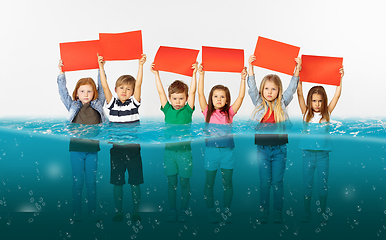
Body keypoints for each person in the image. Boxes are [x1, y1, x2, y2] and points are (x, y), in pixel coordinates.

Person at [247, 55, 301, 223]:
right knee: (265, 182)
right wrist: (250, 67)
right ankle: (264, 212)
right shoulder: (258, 103)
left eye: (273, 89)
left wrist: (297, 69)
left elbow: (292, 88)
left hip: (279, 149)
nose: (269, 92)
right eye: (267, 89)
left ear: (278, 91)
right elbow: (251, 88)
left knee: (277, 182)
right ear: (262, 90)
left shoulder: (282, 103)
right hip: (262, 149)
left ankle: (277, 212)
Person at [98, 53, 147, 222]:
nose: (124, 91)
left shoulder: (134, 103)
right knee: (117, 183)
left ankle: (136, 211)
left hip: (133, 149)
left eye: (128, 89)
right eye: (121, 88)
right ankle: (118, 211)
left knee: (135, 182)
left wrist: (140, 65)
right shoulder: (112, 104)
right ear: (116, 89)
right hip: (117, 150)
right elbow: (104, 88)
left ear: (132, 92)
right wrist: (101, 67)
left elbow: (139, 82)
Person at [57, 58, 106, 222]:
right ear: (77, 93)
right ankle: (76, 212)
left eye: (89, 91)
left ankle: (92, 212)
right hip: (76, 151)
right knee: (77, 183)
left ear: (94, 93)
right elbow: (63, 92)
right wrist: (61, 74)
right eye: (82, 91)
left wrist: (100, 68)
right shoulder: (73, 106)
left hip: (93, 151)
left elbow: (103, 89)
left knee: (91, 183)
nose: (86, 95)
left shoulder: (98, 104)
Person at [197, 64, 247, 223]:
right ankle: (211, 210)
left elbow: (241, 97)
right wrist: (201, 75)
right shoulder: (207, 111)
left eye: (222, 97)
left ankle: (227, 210)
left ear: (227, 100)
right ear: (211, 98)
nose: (219, 99)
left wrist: (243, 79)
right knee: (209, 183)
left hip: (228, 153)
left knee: (228, 184)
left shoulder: (230, 113)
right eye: (216, 96)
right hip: (211, 152)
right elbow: (199, 93)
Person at [150, 61, 197, 223]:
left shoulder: (188, 109)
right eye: (175, 98)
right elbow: (160, 92)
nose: (178, 102)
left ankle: (183, 210)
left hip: (185, 154)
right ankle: (172, 210)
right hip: (169, 154)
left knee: (184, 183)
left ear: (185, 99)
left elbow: (193, 93)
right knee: (171, 184)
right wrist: (157, 74)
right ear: (170, 99)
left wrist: (194, 75)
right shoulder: (167, 109)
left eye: (181, 98)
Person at [297, 67, 344, 223]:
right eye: (314, 100)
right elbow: (299, 93)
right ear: (310, 101)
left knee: (323, 185)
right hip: (307, 155)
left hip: (323, 155)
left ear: (323, 101)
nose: (317, 104)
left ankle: (322, 212)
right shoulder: (305, 112)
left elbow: (337, 96)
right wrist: (299, 76)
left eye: (320, 101)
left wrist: (340, 79)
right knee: (307, 185)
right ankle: (306, 212)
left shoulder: (327, 114)